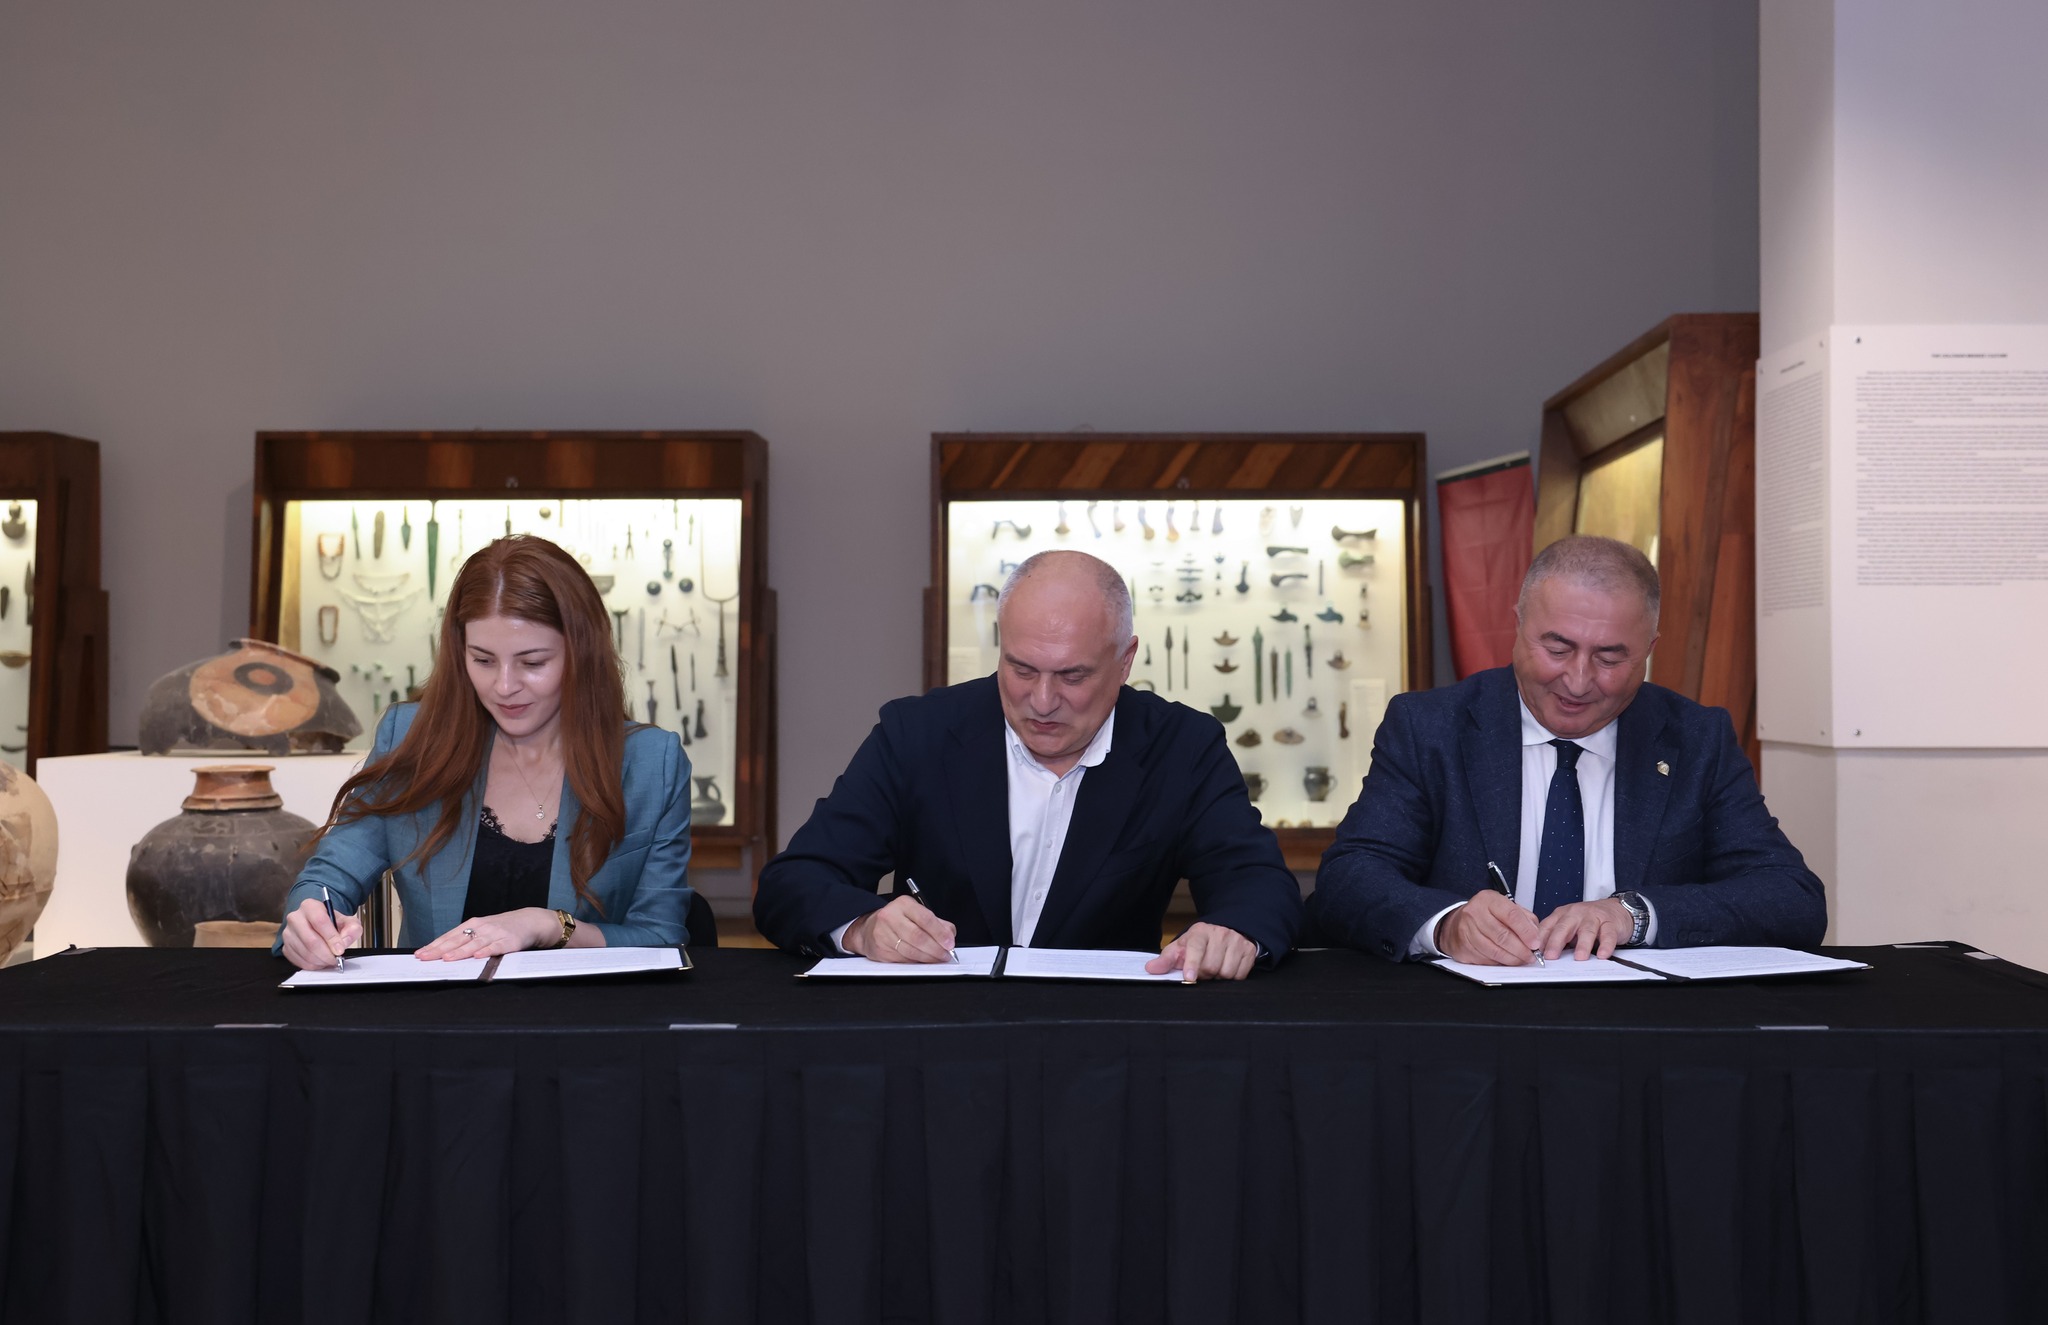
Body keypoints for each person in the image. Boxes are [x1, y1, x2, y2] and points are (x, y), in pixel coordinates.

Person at [753, 550, 1301, 981]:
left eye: (1072, 676)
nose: (1041, 701)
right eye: (1020, 670)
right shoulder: (918, 734)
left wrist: (1231, 930)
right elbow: (794, 882)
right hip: (939, 1031)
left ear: (1125, 661)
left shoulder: (1182, 747)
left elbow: (1256, 882)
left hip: (1106, 1037)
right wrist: (862, 928)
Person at [1309, 535, 1825, 965]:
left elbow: (1790, 897)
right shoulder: (1430, 728)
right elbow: (1347, 881)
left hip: (1642, 1025)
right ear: (1517, 625)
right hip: (1471, 1021)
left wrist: (1634, 915)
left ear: (1649, 650)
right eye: (1557, 648)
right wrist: (1446, 925)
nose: (1578, 681)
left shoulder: (1695, 739)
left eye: (1610, 658)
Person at [277, 535, 694, 969]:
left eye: (533, 663)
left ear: (582, 654)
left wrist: (551, 925)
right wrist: (311, 919)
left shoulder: (652, 763)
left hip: (583, 1009)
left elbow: (661, 937)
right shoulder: (412, 738)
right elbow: (330, 875)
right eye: (483, 660)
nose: (504, 686)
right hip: (437, 1009)